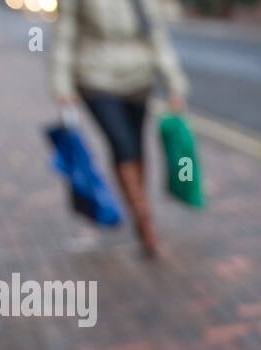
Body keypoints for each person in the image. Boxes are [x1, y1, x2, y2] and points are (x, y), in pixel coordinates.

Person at [49, 0, 189, 257]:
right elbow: (64, 35)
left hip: (138, 78)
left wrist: (175, 83)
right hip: (95, 78)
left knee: (136, 148)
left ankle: (139, 206)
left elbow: (156, 35)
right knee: (121, 145)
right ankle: (144, 219)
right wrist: (61, 85)